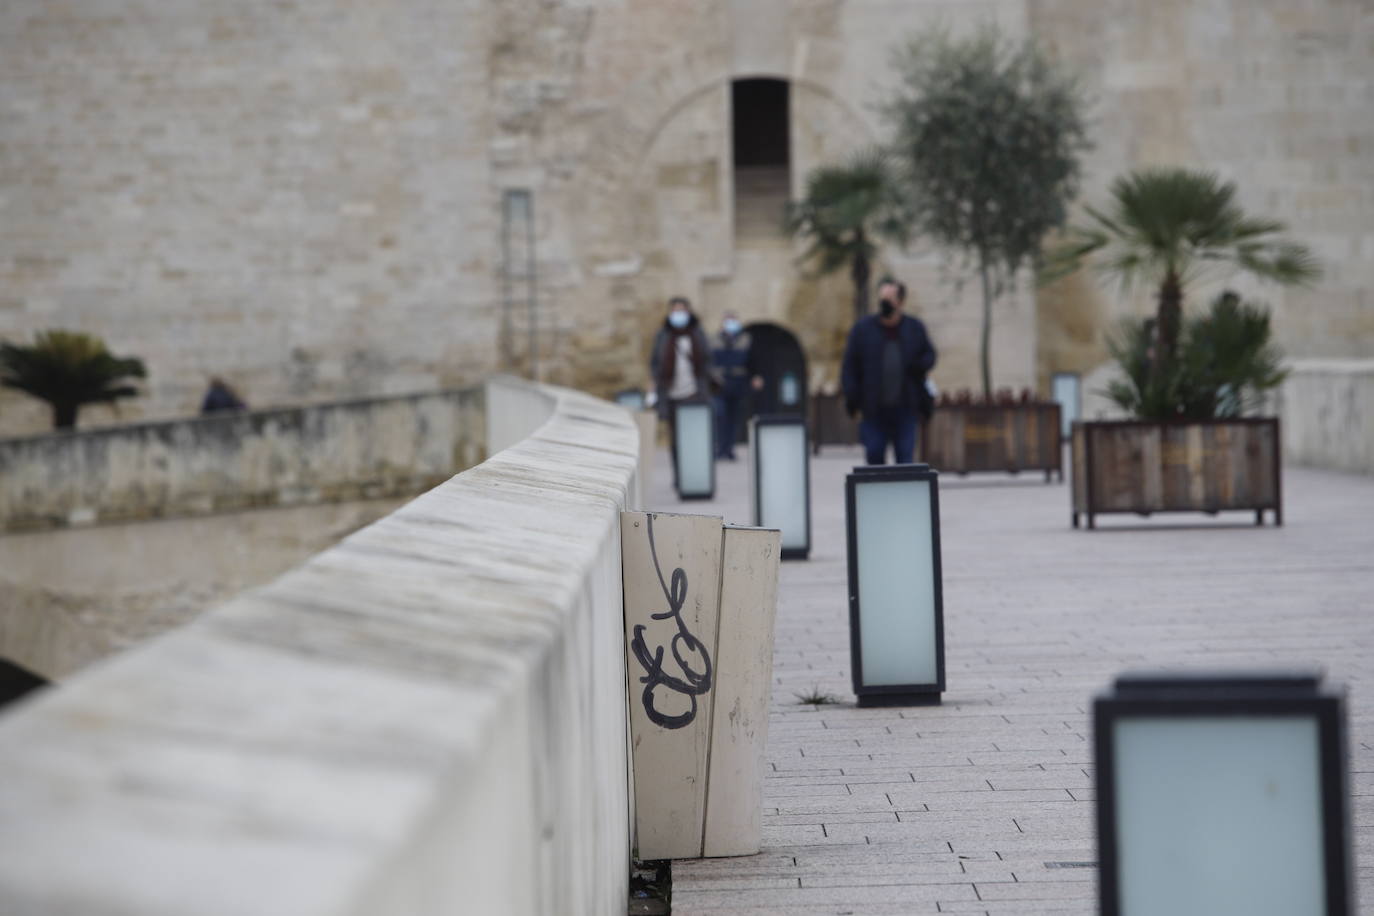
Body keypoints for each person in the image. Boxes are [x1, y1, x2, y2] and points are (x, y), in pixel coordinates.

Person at [841, 278, 937, 465]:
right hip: (873, 409)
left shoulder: (914, 328)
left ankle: (903, 495)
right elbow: (850, 366)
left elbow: (930, 356)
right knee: (874, 456)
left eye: (890, 298)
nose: (884, 302)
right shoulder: (863, 329)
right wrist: (852, 399)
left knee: (905, 459)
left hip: (906, 408)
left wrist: (916, 366)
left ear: (900, 301)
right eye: (882, 297)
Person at [709, 312, 762, 460]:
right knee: (720, 415)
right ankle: (719, 447)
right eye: (728, 320)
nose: (731, 324)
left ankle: (729, 448)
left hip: (738, 383)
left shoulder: (745, 340)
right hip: (718, 384)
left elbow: (753, 360)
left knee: (734, 417)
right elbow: (708, 361)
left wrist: (756, 376)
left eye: (733, 320)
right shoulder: (714, 340)